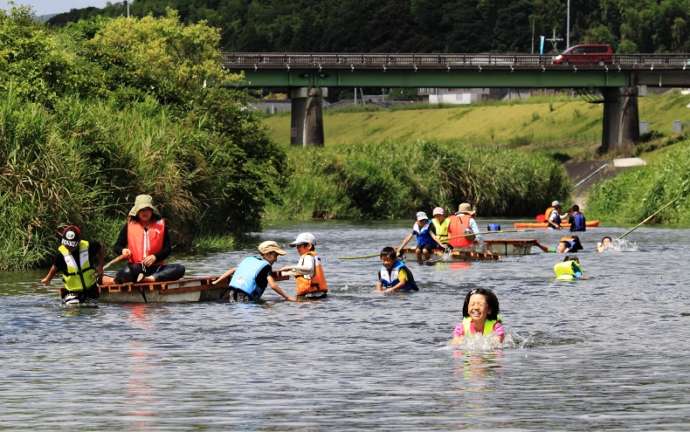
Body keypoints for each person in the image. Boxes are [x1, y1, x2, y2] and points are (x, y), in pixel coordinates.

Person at [113, 194, 185, 284]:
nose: (144, 212)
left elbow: (167, 249)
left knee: (179, 268)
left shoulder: (161, 226)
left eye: (147, 209)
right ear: (137, 211)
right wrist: (123, 250)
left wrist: (155, 257)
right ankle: (136, 278)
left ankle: (149, 279)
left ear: (152, 211)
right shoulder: (128, 226)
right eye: (141, 210)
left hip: (156, 269)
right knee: (125, 272)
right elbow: (117, 246)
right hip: (137, 268)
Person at [40, 225, 104, 306]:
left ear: (78, 242)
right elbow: (55, 267)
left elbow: (100, 247)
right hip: (72, 292)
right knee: (73, 307)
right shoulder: (61, 255)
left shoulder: (89, 246)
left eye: (72, 245)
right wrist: (48, 278)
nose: (69, 247)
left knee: (91, 308)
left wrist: (100, 266)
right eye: (67, 245)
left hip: (91, 289)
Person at [215, 241, 296, 302]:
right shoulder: (266, 267)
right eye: (275, 256)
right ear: (268, 254)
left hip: (228, 294)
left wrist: (216, 282)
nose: (276, 259)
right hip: (244, 298)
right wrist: (287, 297)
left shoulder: (250, 260)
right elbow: (273, 285)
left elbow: (232, 270)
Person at [280, 232, 328, 299]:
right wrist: (283, 273)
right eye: (296, 246)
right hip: (319, 295)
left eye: (299, 246)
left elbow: (308, 268)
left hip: (312, 296)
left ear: (309, 246)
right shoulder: (312, 257)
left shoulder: (308, 256)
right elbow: (303, 272)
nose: (297, 248)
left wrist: (289, 267)